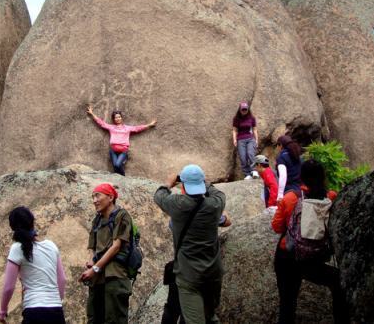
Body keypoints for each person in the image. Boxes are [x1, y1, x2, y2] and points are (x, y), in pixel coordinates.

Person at [271, 159, 348, 324]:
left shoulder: (290, 198)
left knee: (287, 304)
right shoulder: (331, 197)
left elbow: (277, 227)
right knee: (337, 283)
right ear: (323, 177)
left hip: (288, 257)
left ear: (301, 177)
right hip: (313, 259)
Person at [154, 164, 225, 324]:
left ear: (183, 186)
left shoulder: (177, 204)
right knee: (210, 318)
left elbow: (159, 195)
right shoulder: (215, 204)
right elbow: (217, 192)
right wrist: (202, 181)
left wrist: (169, 182)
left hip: (189, 275)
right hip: (213, 273)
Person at [0, 206, 66, 324]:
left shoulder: (17, 248)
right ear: (32, 222)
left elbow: (9, 287)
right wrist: (54, 301)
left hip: (34, 310)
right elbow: (62, 279)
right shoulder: (51, 246)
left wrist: (2, 311)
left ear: (13, 227)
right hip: (56, 311)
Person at [80, 183, 134, 324]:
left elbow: (116, 246)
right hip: (97, 279)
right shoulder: (97, 220)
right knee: (93, 318)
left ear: (110, 197)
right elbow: (92, 247)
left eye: (98, 195)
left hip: (114, 276)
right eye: (93, 197)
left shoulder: (122, 216)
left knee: (114, 319)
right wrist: (91, 262)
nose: (94, 200)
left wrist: (95, 268)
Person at [87, 105, 156, 176]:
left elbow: (137, 128)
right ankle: (119, 181)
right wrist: (92, 114)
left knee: (117, 165)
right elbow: (101, 123)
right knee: (115, 167)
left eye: (119, 117)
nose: (118, 119)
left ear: (121, 118)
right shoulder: (111, 127)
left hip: (123, 151)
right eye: (116, 118)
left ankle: (123, 177)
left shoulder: (127, 128)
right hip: (113, 150)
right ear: (114, 119)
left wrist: (149, 125)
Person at [232, 102, 259, 180]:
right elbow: (234, 130)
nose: (244, 111)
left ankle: (254, 171)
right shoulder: (236, 119)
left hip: (250, 138)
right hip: (240, 139)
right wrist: (234, 139)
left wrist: (256, 140)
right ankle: (247, 174)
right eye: (242, 109)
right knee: (243, 157)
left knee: (250, 153)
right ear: (240, 110)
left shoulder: (252, 118)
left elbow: (254, 129)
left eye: (245, 109)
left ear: (248, 109)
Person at [275, 135, 302, 202]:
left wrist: (280, 194)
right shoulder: (297, 156)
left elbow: (283, 176)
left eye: (277, 145)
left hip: (289, 192)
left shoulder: (282, 158)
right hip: (300, 191)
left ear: (280, 145)